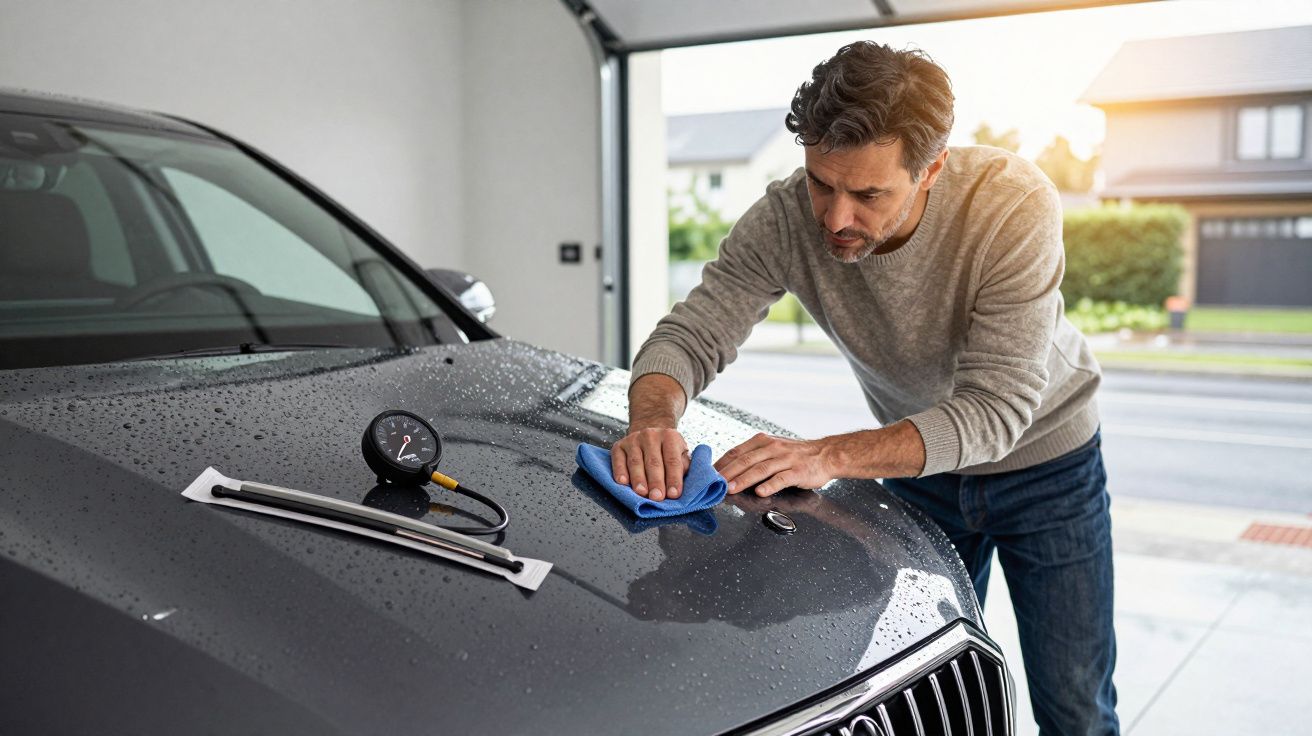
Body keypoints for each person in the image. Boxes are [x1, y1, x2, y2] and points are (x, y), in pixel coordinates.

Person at [611, 41, 1118, 734]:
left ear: (932, 167)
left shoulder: (1011, 204)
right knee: (915, 686)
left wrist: (827, 457)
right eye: (823, 182)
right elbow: (691, 334)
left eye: (869, 193)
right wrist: (651, 420)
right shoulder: (786, 217)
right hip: (920, 473)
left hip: (1047, 468)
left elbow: (998, 410)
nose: (836, 217)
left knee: (1075, 707)